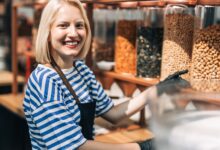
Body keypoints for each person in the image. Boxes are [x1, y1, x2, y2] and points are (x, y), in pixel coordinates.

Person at [23, 0, 189, 149]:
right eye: (63, 25)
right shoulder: (44, 81)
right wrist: (143, 147)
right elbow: (74, 147)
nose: (73, 33)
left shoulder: (81, 70)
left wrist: (158, 89)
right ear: (48, 33)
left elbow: (113, 113)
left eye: (79, 25)